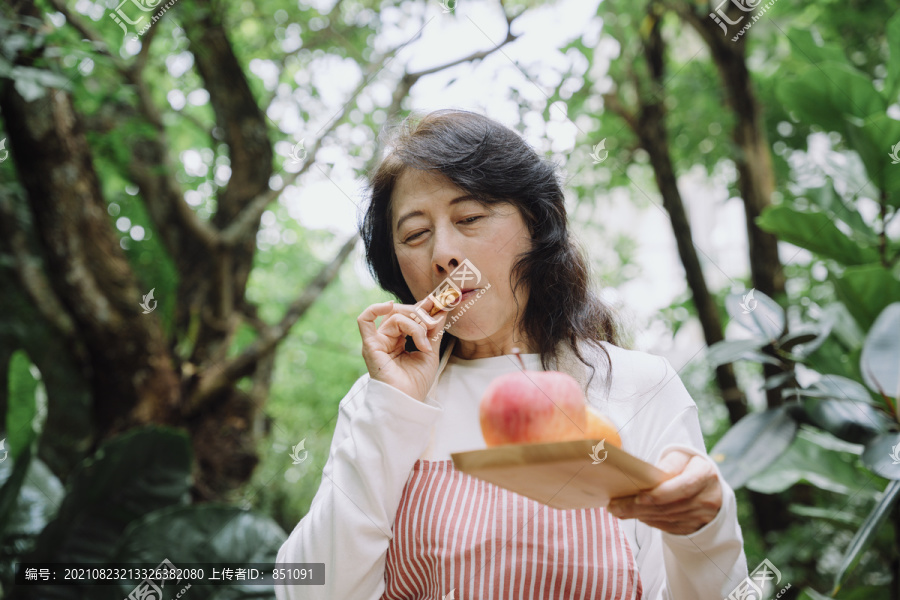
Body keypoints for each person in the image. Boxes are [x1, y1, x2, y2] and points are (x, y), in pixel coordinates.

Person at [275, 109, 749, 599]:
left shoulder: (636, 385)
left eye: (471, 218)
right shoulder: (379, 402)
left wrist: (705, 527)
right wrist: (392, 410)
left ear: (535, 224)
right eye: (416, 234)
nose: (444, 253)